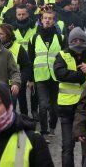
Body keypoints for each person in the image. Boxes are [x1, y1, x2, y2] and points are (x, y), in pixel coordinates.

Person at [53, 27, 86, 167]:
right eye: (74, 40)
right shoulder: (62, 55)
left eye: (81, 40)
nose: (77, 43)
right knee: (68, 147)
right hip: (67, 109)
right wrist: (81, 75)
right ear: (69, 41)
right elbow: (59, 74)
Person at [28, 8, 65, 138]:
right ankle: (44, 131)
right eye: (45, 18)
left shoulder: (60, 38)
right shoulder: (34, 38)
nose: (48, 20)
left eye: (50, 18)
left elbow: (66, 58)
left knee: (54, 108)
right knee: (42, 106)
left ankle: (52, 127)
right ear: (41, 20)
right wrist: (30, 79)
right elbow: (30, 60)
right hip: (40, 76)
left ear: (54, 21)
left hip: (56, 76)